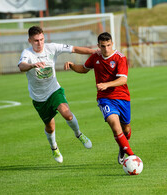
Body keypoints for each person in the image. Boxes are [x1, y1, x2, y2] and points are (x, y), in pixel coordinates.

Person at [18, 26, 94, 163]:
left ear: (44, 38)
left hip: (54, 90)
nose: (39, 43)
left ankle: (79, 134)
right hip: (39, 98)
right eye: (36, 40)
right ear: (29, 40)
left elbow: (75, 49)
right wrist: (32, 65)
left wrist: (95, 52)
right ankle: (54, 148)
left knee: (67, 114)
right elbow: (21, 66)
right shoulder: (27, 53)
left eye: (41, 39)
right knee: (50, 126)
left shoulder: (52, 48)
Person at [64, 32, 135, 165]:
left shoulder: (120, 57)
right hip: (104, 98)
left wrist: (106, 84)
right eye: (103, 46)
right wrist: (73, 66)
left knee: (126, 128)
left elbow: (123, 79)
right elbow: (84, 69)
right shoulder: (95, 57)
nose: (106, 49)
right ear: (98, 45)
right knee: (114, 124)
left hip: (122, 97)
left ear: (112, 44)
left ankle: (122, 146)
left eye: (108, 45)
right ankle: (132, 156)